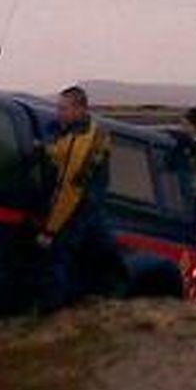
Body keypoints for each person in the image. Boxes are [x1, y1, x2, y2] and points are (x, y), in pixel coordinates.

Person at [37, 85, 118, 309]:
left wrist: (49, 230)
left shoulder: (81, 142)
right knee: (92, 271)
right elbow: (62, 153)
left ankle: (50, 321)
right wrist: (46, 150)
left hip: (75, 214)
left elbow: (69, 191)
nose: (58, 113)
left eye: (63, 108)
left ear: (80, 109)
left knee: (55, 264)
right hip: (94, 212)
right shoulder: (93, 131)